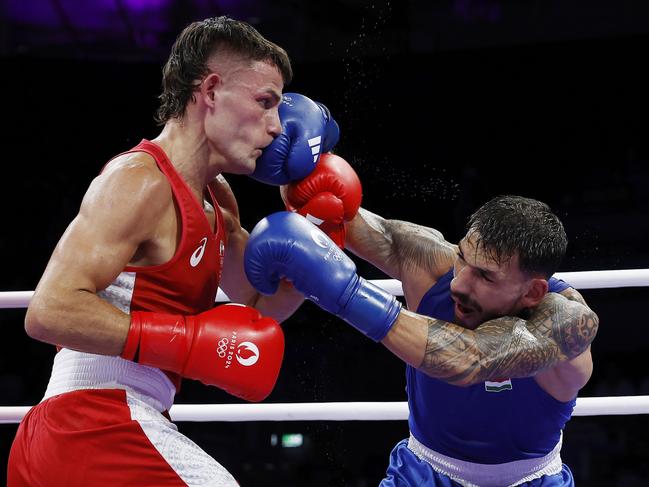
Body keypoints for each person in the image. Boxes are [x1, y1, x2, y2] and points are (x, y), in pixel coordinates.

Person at [8, 16, 338, 487]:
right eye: (265, 103)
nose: (274, 127)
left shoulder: (217, 200)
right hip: (91, 423)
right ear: (210, 91)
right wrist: (184, 342)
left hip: (113, 426)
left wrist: (321, 237)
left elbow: (261, 304)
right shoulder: (140, 181)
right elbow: (48, 311)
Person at [244, 156, 599, 485]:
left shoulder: (566, 325)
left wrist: (348, 294)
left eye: (486, 277)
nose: (459, 283)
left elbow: (471, 358)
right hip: (424, 472)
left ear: (533, 293)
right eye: (463, 258)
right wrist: (292, 161)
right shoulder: (429, 264)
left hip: (532, 479)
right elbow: (331, 211)